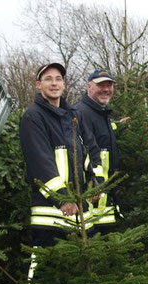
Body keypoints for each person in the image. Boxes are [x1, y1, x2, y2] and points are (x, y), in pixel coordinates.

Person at [19, 63, 104, 249]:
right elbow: (40, 162)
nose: (54, 83)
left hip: (80, 208)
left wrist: (95, 183)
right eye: (48, 79)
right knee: (46, 270)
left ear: (64, 85)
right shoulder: (33, 117)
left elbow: (90, 151)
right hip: (50, 212)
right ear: (38, 85)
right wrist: (62, 198)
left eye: (58, 79)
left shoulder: (73, 115)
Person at [74, 69, 119, 233]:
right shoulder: (81, 113)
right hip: (92, 193)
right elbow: (82, 153)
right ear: (88, 87)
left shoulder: (102, 112)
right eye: (101, 85)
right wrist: (94, 184)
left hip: (104, 193)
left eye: (109, 85)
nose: (106, 89)